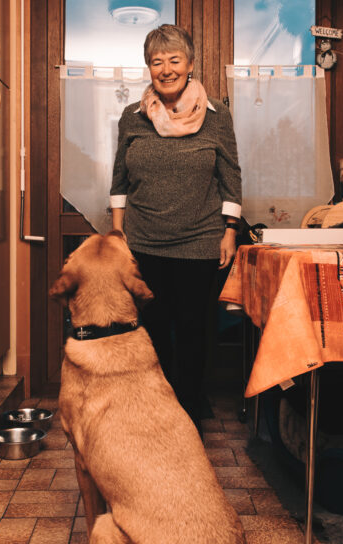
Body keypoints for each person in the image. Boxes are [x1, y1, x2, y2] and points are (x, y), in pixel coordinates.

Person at [109, 24, 242, 434]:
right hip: (144, 242)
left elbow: (230, 175)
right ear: (148, 67)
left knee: (192, 331)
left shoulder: (217, 115)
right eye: (156, 61)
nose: (165, 69)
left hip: (200, 241)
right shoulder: (133, 117)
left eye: (173, 60)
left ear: (189, 64)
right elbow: (119, 181)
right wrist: (118, 236)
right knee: (151, 333)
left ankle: (187, 417)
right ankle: (157, 410)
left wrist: (230, 230)